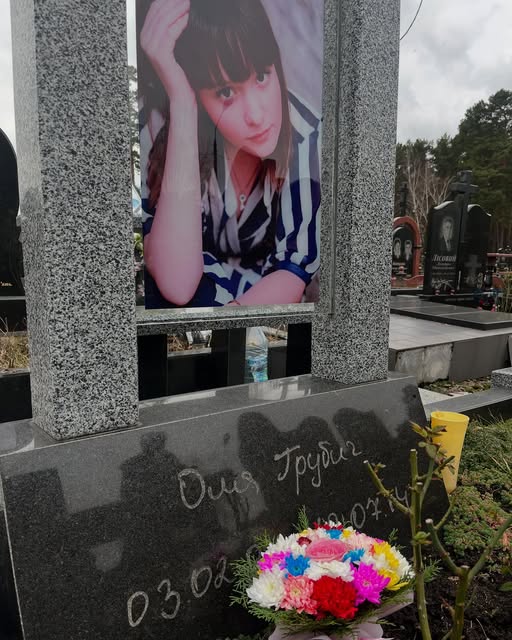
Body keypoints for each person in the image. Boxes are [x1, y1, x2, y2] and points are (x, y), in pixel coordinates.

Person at [138, 0, 321, 308]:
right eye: (225, 92)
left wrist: (229, 329)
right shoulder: (159, 127)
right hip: (198, 321)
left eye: (261, 76)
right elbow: (176, 283)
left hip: (258, 325)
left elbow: (292, 272)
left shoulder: (307, 138)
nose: (256, 115)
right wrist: (183, 104)